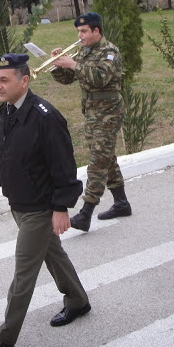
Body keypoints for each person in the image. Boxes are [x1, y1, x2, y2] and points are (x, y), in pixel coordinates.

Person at [0, 53, 91, 347]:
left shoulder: (45, 117)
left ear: (24, 81)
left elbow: (64, 166)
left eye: (4, 80)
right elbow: (11, 155)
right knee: (53, 255)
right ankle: (78, 301)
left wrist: (62, 207)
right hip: (19, 203)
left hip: (40, 207)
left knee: (23, 274)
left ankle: (4, 339)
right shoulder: (8, 112)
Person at [50, 12, 132, 232]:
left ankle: (86, 212)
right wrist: (59, 65)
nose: (80, 35)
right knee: (106, 157)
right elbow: (68, 80)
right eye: (78, 31)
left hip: (109, 112)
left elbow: (99, 78)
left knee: (97, 161)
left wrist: (74, 64)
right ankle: (121, 203)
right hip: (92, 113)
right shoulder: (83, 51)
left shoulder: (109, 52)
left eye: (84, 31)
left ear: (96, 31)